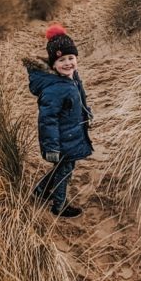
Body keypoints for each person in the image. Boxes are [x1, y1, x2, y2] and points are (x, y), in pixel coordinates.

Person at [25, 24, 93, 218]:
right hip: (63, 138)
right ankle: (59, 206)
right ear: (53, 64)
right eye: (62, 60)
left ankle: (40, 191)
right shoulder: (54, 89)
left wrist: (86, 113)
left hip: (72, 131)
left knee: (63, 166)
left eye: (71, 58)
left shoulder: (72, 77)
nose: (68, 63)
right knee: (65, 170)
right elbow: (47, 121)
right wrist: (52, 148)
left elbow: (80, 98)